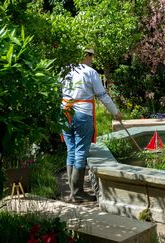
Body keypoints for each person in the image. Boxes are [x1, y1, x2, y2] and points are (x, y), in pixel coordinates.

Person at [61, 48, 122, 202]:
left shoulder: (64, 70)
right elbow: (102, 95)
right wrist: (115, 112)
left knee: (71, 150)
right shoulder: (90, 72)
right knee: (81, 151)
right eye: (91, 56)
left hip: (64, 112)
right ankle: (78, 192)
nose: (92, 59)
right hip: (82, 113)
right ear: (86, 56)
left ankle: (73, 191)